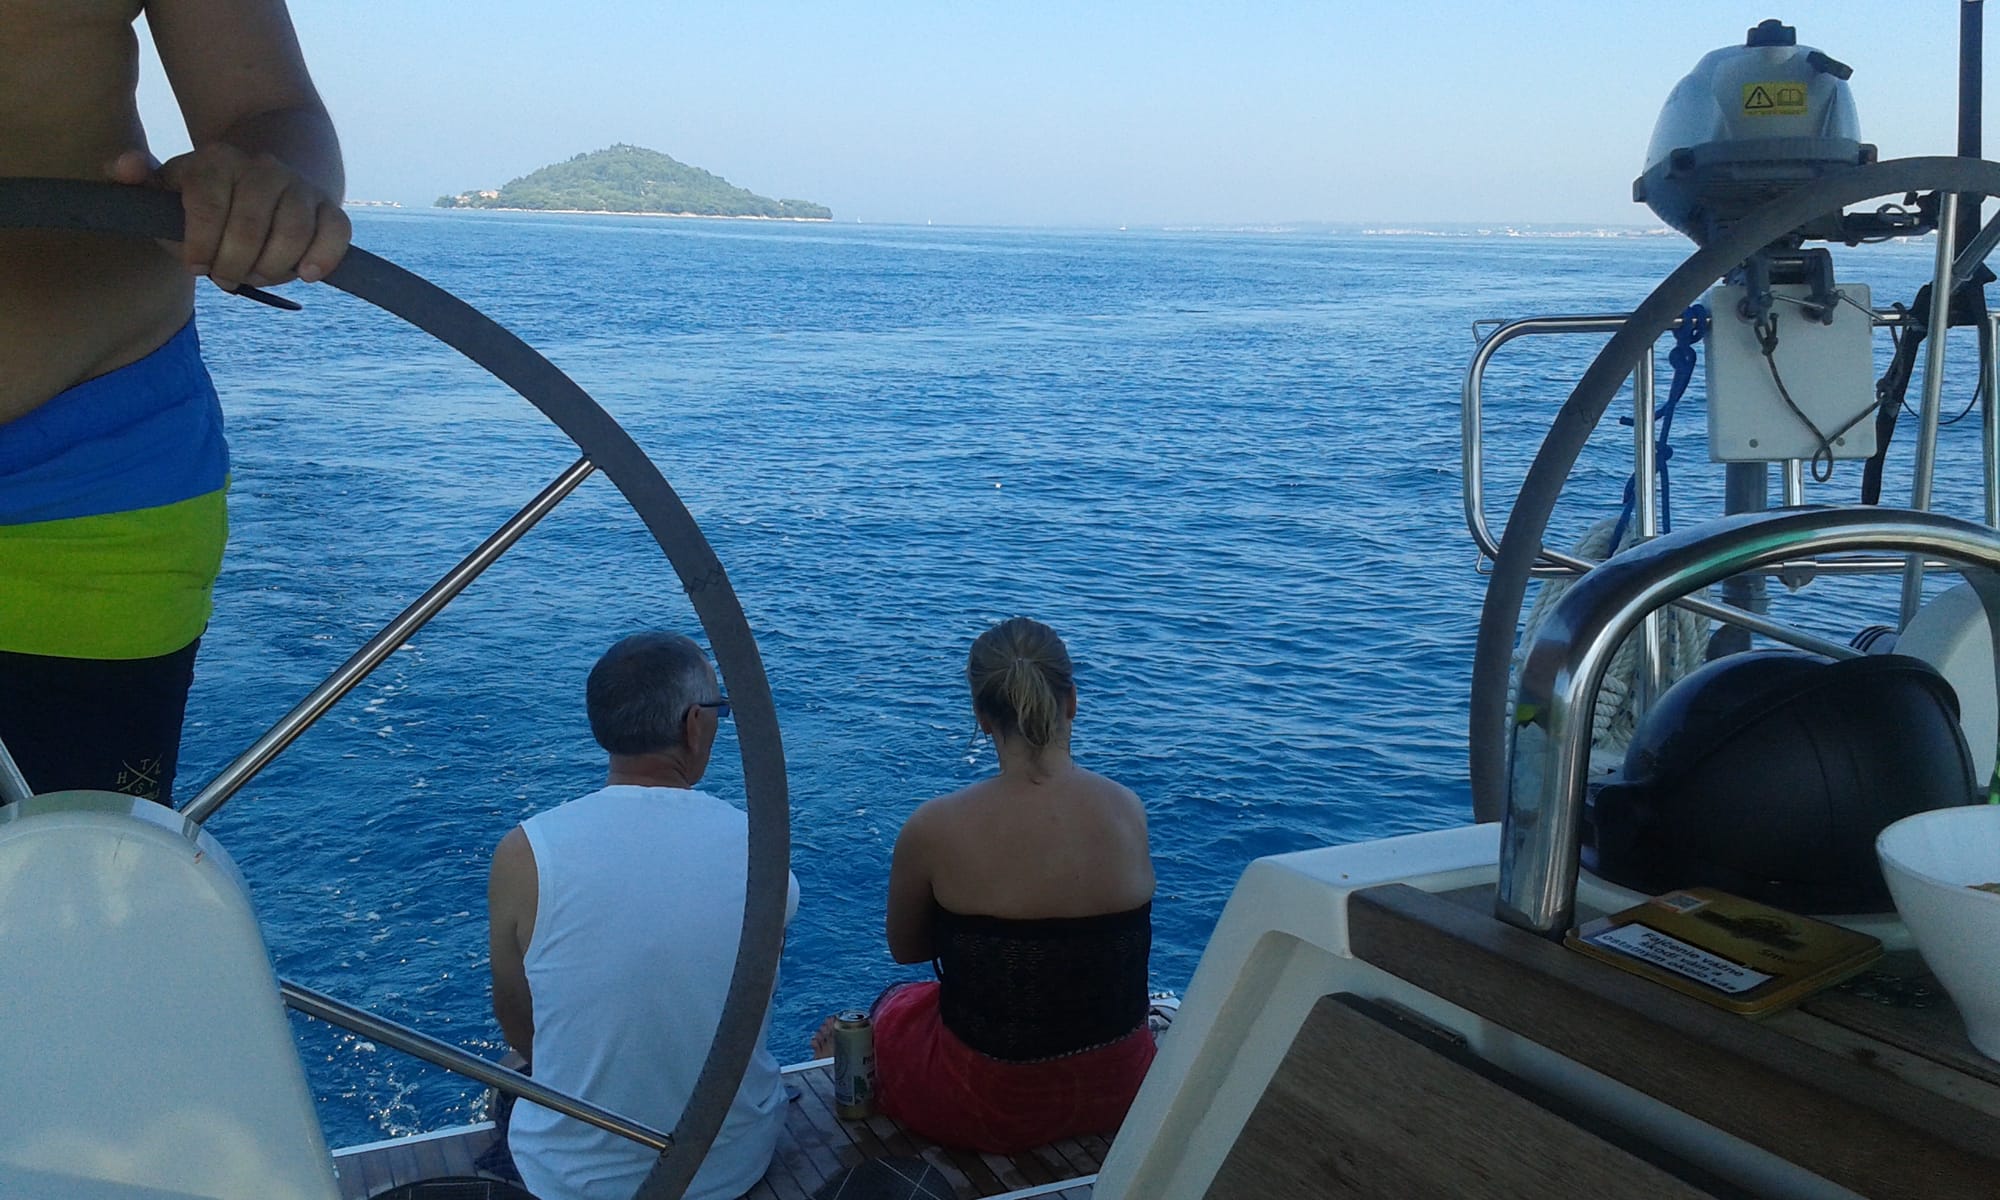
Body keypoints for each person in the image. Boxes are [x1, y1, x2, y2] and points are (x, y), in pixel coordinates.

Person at [0, 0, 350, 806]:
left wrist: (264, 192)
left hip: (88, 485)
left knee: (73, 876)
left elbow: (272, 111)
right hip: (102, 475)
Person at [821, 616, 1158, 1154]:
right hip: (1122, 1088)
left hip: (985, 1106)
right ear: (1071, 701)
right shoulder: (1127, 809)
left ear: (981, 716)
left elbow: (908, 950)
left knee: (898, 1004)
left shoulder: (934, 826)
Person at [488, 631, 795, 1200]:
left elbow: (516, 1016)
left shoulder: (525, 855)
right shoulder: (761, 847)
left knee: (513, 1072)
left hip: (570, 1178)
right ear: (694, 725)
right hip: (731, 1162)